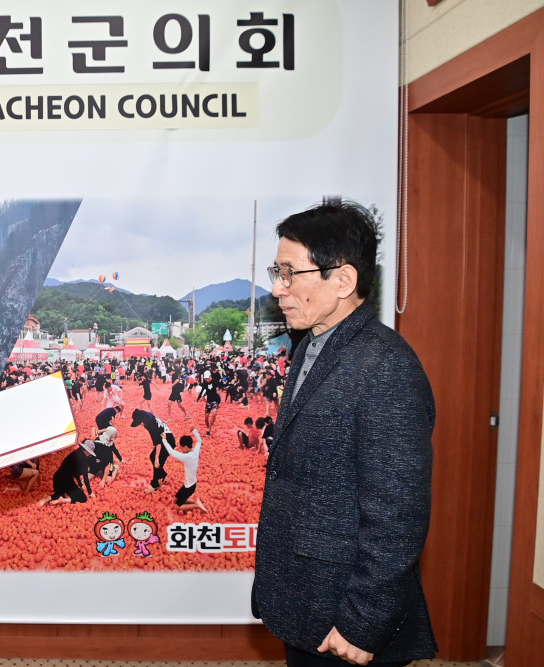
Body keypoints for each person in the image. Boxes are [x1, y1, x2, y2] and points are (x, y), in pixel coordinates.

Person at [252, 201, 436, 666]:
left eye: (290, 273)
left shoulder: (384, 366)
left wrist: (363, 621)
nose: (277, 288)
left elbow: (398, 514)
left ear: (343, 280)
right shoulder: (314, 344)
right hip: (308, 598)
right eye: (277, 272)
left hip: (345, 617)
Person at [162, 428, 208, 513]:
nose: (181, 450)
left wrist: (164, 439)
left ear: (186, 447)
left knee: (176, 507)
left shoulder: (187, 457)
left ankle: (196, 505)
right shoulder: (195, 450)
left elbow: (171, 452)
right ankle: (195, 501)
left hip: (189, 487)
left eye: (182, 448)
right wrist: (194, 430)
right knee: (175, 500)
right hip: (188, 485)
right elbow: (199, 441)